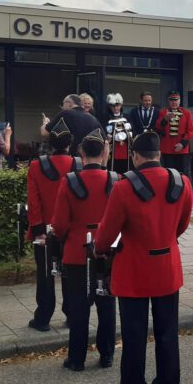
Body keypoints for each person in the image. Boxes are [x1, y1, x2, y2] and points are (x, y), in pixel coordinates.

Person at [96, 132, 193, 384]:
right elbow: (182, 224)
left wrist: (99, 248)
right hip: (167, 268)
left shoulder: (123, 187)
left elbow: (107, 234)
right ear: (158, 154)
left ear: (135, 156)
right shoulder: (182, 182)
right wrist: (165, 237)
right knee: (168, 333)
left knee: (133, 335)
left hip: (133, 272)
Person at [50, 129, 117, 371]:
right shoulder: (115, 179)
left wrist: (65, 238)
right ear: (104, 153)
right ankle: (107, 355)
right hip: (106, 252)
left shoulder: (69, 181)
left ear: (81, 153)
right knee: (107, 306)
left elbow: (59, 224)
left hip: (76, 252)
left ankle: (76, 359)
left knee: (78, 307)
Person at [26, 119, 81, 333]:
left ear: (50, 142)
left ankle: (43, 317)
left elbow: (34, 202)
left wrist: (38, 229)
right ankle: (72, 315)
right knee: (71, 274)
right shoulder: (78, 165)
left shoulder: (36, 165)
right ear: (70, 144)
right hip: (70, 230)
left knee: (45, 275)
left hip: (45, 229)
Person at [156, 90, 193, 172]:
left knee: (183, 172)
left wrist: (182, 144)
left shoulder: (187, 113)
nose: (174, 102)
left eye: (176, 100)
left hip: (182, 149)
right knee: (168, 172)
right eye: (171, 100)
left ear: (180, 100)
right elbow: (158, 128)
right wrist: (165, 119)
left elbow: (190, 131)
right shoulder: (163, 112)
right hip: (167, 148)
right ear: (168, 101)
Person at [104, 94, 132, 173]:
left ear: (121, 105)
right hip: (112, 150)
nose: (115, 108)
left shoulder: (127, 117)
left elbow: (132, 130)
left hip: (125, 149)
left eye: (117, 105)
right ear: (110, 107)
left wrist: (127, 134)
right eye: (113, 106)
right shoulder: (105, 118)